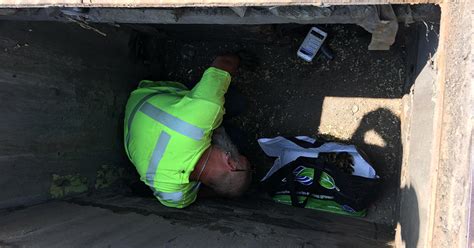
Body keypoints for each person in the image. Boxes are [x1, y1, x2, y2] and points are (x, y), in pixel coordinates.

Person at [124, 54, 252, 208]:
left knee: (237, 104)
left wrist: (238, 56)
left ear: (230, 162)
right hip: (133, 130)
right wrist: (224, 190)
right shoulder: (174, 196)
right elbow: (198, 195)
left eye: (239, 155)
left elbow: (224, 61)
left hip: (144, 96)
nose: (236, 151)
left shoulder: (203, 111)